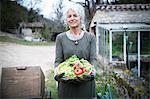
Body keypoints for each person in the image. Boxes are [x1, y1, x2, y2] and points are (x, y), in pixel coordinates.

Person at [54, 2, 97, 99]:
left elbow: (93, 59)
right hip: (67, 85)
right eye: (69, 16)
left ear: (80, 17)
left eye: (75, 15)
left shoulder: (90, 37)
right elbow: (58, 61)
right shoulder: (60, 38)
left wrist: (91, 72)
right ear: (66, 19)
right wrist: (57, 72)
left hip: (86, 84)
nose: (72, 18)